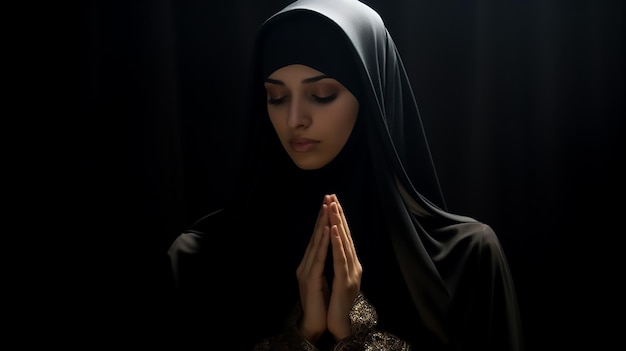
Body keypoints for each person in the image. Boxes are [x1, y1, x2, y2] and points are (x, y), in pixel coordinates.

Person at [168, 0, 524, 350]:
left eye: (321, 94)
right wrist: (302, 335)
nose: (294, 119)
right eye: (276, 97)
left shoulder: (467, 262)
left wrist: (353, 338)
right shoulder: (200, 261)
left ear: (371, 97)